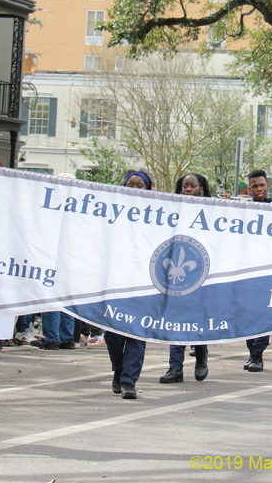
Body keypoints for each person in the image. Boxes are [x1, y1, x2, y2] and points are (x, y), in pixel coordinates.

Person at [103, 169, 152, 400]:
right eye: (130, 185)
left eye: (139, 186)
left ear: (148, 189)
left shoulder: (159, 214)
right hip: (116, 281)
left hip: (144, 283)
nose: (134, 189)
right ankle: (118, 368)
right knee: (113, 332)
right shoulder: (111, 213)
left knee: (136, 331)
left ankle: (129, 381)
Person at [159, 173, 211, 384]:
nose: (188, 189)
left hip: (202, 273)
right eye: (184, 186)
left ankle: (201, 356)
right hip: (176, 275)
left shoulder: (212, 211)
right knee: (175, 320)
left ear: (201, 189)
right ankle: (175, 368)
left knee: (196, 319)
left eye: (193, 186)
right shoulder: (173, 211)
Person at [244, 169, 272, 372]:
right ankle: (250, 352)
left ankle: (258, 354)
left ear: (268, 186)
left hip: (270, 270)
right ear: (249, 189)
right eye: (254, 186)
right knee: (246, 312)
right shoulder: (243, 209)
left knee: (264, 313)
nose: (259, 189)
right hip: (247, 269)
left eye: (261, 185)